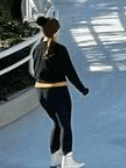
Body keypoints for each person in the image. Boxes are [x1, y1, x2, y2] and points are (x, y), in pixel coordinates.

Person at [32, 15, 89, 168]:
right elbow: (70, 73)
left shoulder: (37, 49)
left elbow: (35, 71)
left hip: (41, 93)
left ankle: (54, 159)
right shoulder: (60, 50)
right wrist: (82, 89)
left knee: (56, 124)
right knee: (65, 125)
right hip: (57, 91)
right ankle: (68, 160)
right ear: (56, 32)